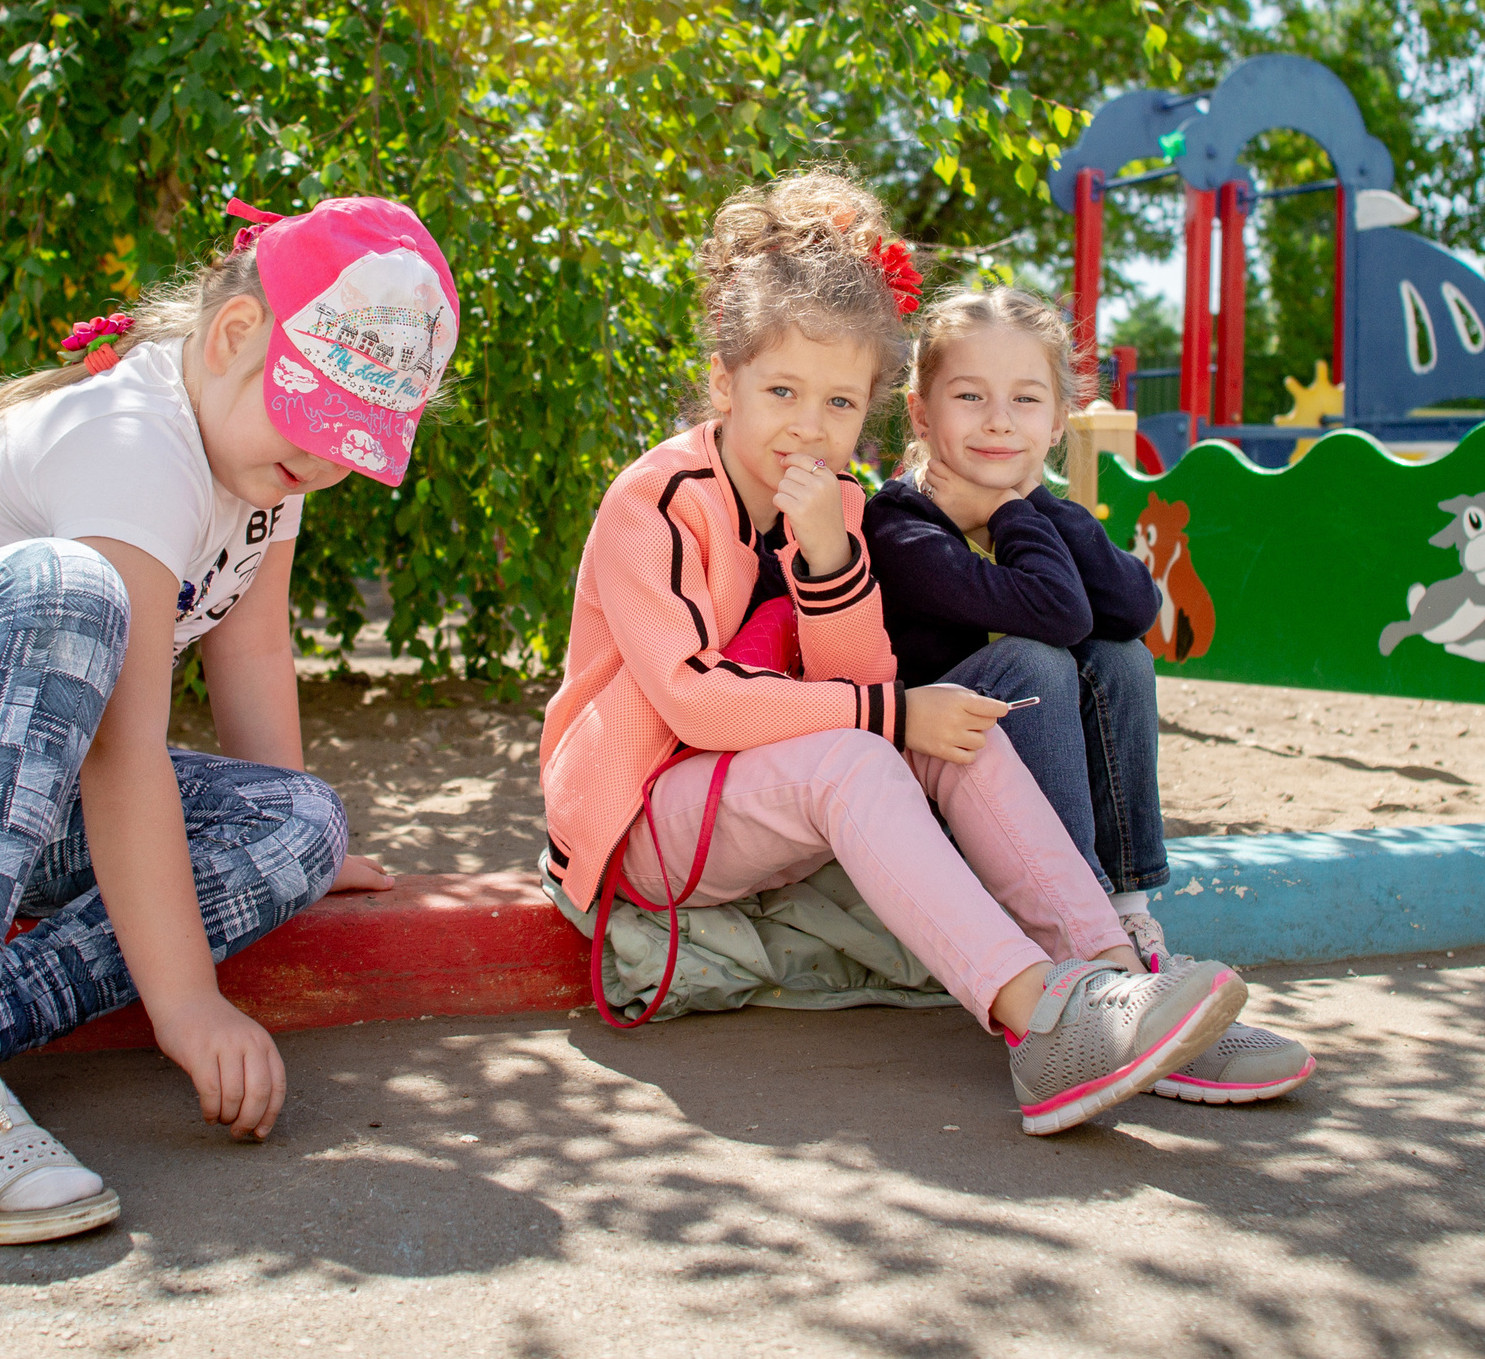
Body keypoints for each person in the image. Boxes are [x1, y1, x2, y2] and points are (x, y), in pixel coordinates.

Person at [0, 196, 459, 1244]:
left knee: (301, 820)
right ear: (234, 335)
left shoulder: (267, 465)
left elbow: (251, 647)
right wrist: (188, 1005)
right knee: (71, 592)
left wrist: (296, 846)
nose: (325, 459)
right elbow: (122, 753)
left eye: (355, 438)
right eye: (312, 417)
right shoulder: (132, 440)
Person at [538, 169, 1248, 1136]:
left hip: (764, 796)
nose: (808, 425)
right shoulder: (659, 501)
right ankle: (1041, 1021)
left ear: (870, 407)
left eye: (838, 402)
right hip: (646, 820)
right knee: (875, 741)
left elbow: (859, 681)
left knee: (956, 730)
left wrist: (828, 557)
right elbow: (695, 700)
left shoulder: (839, 503)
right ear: (724, 382)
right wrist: (896, 713)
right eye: (780, 391)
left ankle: (1119, 990)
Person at [864, 283, 1314, 1103]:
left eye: (1025, 400)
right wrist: (1013, 512)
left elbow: (1134, 607)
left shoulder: (1037, 511)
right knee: (1037, 662)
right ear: (921, 415)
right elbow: (1056, 610)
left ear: (1057, 422)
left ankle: (1131, 929)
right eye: (969, 397)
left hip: (1044, 818)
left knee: (1120, 657)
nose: (999, 422)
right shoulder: (900, 525)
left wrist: (1027, 505)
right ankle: (1088, 967)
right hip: (947, 800)